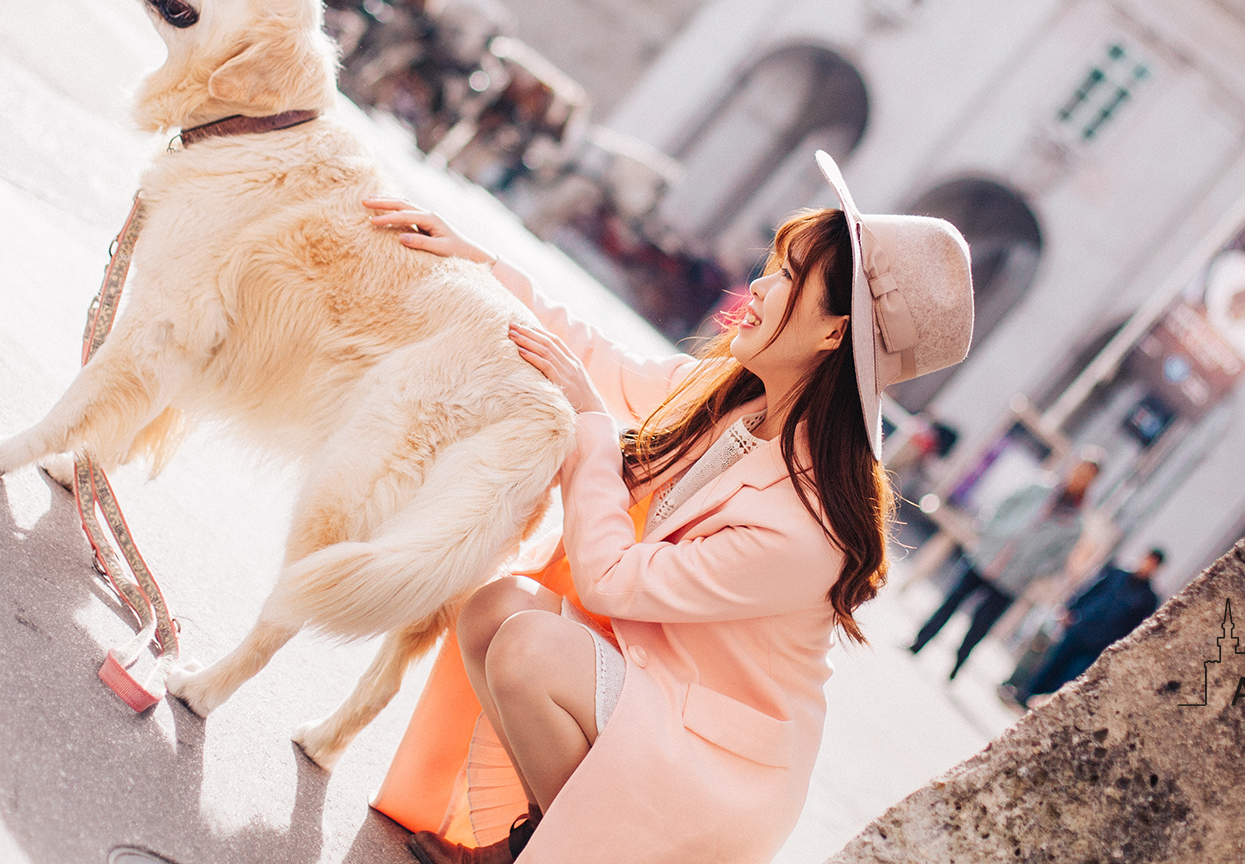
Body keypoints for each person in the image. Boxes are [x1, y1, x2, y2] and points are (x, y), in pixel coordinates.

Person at [364, 151, 974, 864]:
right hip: (656, 687)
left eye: (787, 277)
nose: (757, 284)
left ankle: (555, 851)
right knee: (498, 607)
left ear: (834, 333)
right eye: (773, 264)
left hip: (711, 765)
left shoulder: (810, 526)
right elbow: (593, 356)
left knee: (531, 647)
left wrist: (591, 432)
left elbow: (611, 581)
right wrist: (479, 263)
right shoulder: (733, 400)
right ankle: (535, 841)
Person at [906, 453, 1100, 679]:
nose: (1079, 476)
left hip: (1014, 578)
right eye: (1080, 469)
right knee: (952, 599)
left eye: (1087, 475)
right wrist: (989, 531)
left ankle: (958, 664)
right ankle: (920, 641)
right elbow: (1004, 504)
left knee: (981, 624)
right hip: (988, 555)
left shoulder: (1075, 522)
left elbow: (1058, 560)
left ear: (1092, 481)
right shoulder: (1040, 488)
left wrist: (1032, 570)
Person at [1019, 548, 1164, 702]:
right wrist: (1071, 608)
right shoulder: (1117, 575)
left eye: (1153, 564)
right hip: (1081, 627)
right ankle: (1026, 694)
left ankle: (1044, 705)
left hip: (1099, 645)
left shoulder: (1148, 599)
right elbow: (1091, 591)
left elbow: (1135, 628)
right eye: (1148, 560)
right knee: (1053, 663)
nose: (1148, 565)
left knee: (1071, 677)